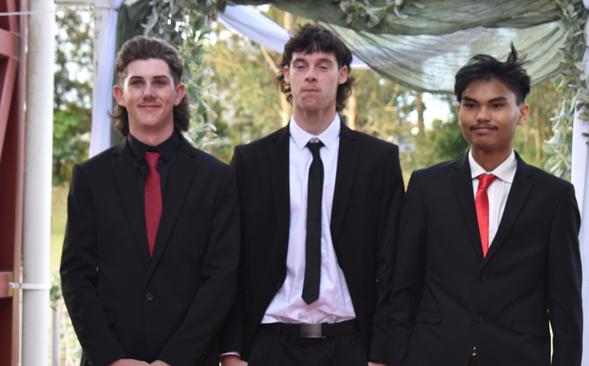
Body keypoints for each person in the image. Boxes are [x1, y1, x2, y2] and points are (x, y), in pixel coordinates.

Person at [220, 24, 404, 366]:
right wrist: (231, 351)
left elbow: (393, 263)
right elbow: (230, 260)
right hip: (268, 343)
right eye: (301, 65)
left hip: (351, 344)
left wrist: (382, 354)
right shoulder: (251, 161)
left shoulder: (379, 161)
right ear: (286, 75)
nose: (310, 76)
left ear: (343, 75)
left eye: (323, 65)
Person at [389, 47, 582, 366]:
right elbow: (404, 288)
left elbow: (566, 307)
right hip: (433, 355)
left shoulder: (555, 197)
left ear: (522, 112)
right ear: (459, 111)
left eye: (496, 105)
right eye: (471, 105)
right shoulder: (426, 186)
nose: (482, 116)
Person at [60, 36, 239, 366]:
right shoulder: (90, 178)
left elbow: (222, 279)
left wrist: (174, 359)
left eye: (159, 82)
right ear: (120, 94)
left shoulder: (217, 179)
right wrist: (112, 358)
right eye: (137, 83)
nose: (148, 93)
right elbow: (75, 275)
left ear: (178, 93)